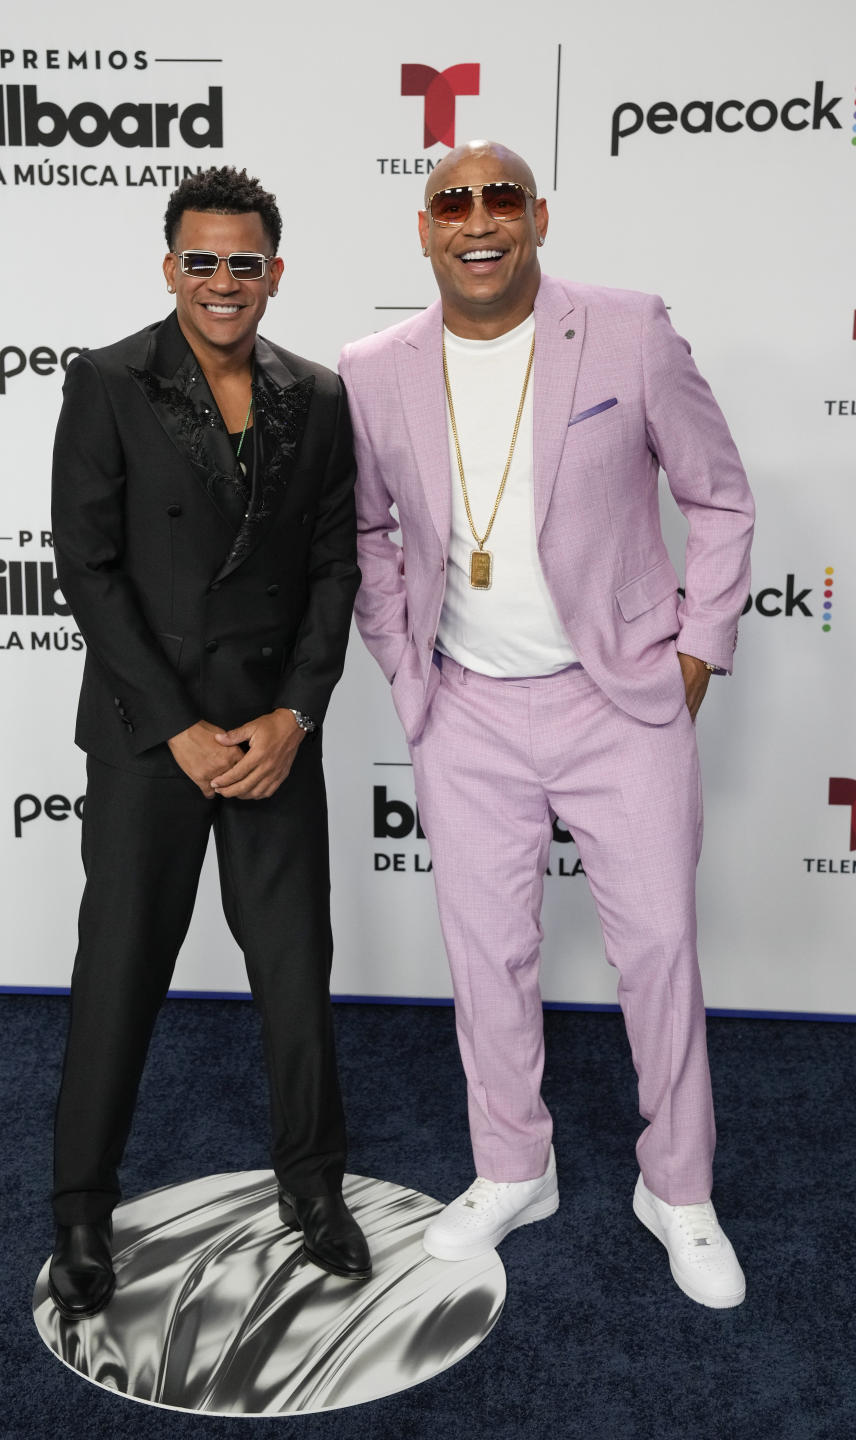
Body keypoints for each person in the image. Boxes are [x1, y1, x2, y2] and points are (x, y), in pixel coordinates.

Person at [339, 140, 754, 1309]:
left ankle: (677, 1188)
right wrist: (407, 676)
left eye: (502, 198)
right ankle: (514, 1166)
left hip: (618, 699)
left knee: (661, 950)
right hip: (463, 706)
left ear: (539, 218)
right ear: (423, 230)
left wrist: (698, 648)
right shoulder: (373, 369)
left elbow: (718, 493)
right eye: (452, 202)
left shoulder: (627, 329)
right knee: (487, 957)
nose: (480, 219)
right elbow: (368, 534)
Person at [47, 165, 370, 1320]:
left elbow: (337, 564)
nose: (223, 282)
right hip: (152, 736)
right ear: (169, 265)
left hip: (274, 734)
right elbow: (85, 567)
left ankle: (314, 1185)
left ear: (275, 273)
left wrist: (295, 714)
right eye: (202, 261)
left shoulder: (320, 396)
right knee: (120, 968)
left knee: (295, 968)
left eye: (245, 263)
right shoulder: (110, 382)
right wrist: (178, 727)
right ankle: (82, 1209)